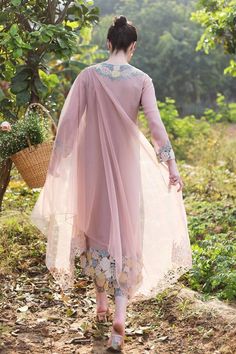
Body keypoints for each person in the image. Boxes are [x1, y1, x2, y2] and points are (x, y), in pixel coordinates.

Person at [30, 15, 192, 352]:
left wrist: (57, 166)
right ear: (132, 47)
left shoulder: (88, 76)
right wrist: (172, 167)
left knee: (97, 231)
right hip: (127, 166)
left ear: (108, 44)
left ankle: (101, 308)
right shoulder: (142, 80)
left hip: (92, 169)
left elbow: (69, 126)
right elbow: (157, 127)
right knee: (126, 231)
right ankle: (119, 315)